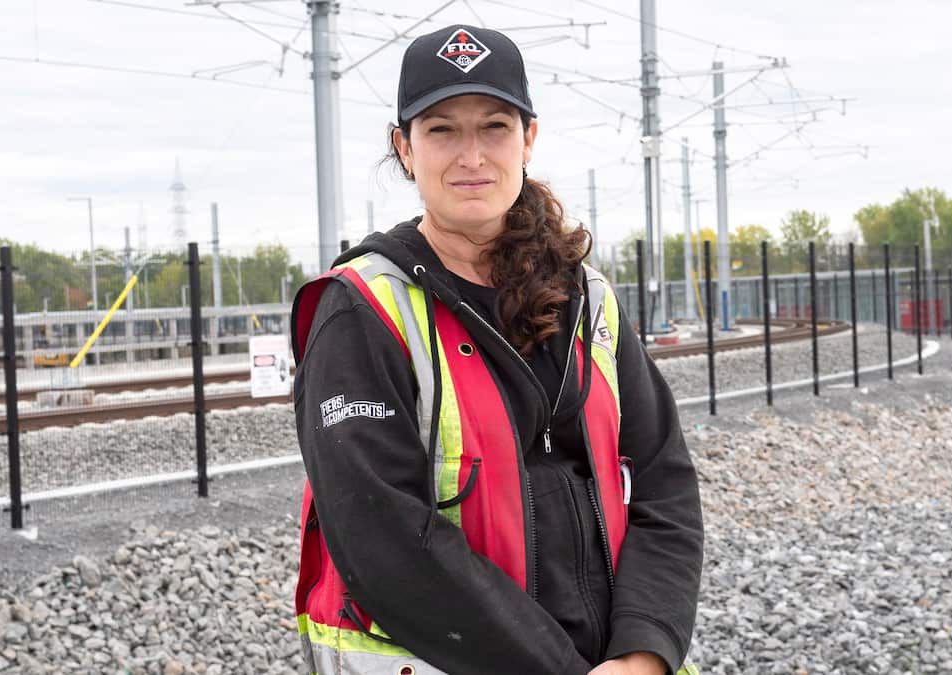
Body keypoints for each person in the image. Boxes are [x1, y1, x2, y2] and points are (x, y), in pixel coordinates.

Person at [291, 24, 703, 675]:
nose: (472, 156)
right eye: (442, 130)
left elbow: (663, 481)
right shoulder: (362, 310)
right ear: (405, 148)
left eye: (494, 127)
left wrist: (644, 651)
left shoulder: (587, 300)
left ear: (528, 138)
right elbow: (384, 539)